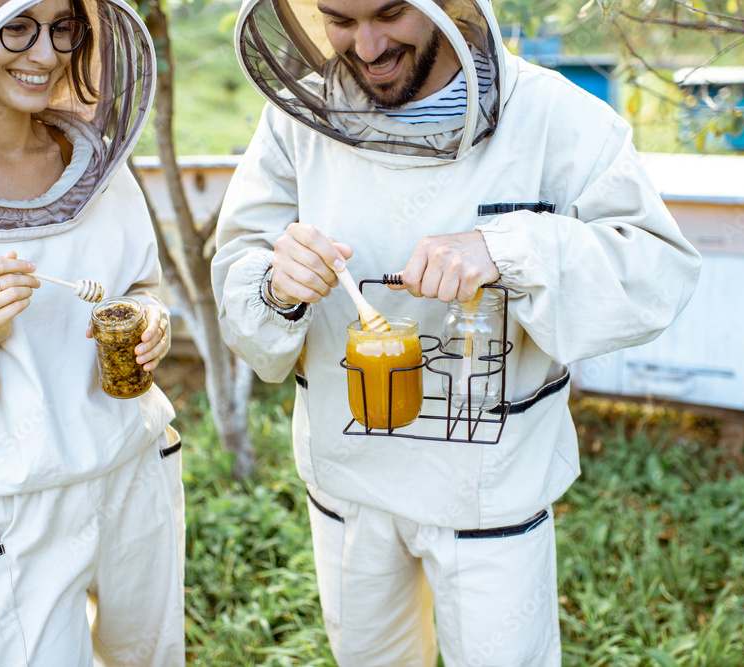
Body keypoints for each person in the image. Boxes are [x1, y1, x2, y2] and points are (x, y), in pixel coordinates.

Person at [214, 0, 701, 664]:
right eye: (340, 20)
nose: (366, 46)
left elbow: (655, 269)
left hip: (490, 493)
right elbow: (239, 270)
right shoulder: (297, 119)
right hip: (347, 483)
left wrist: (511, 249)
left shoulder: (554, 116)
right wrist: (275, 281)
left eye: (388, 14)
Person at [0, 0, 184, 664]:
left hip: (136, 466)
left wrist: (151, 320)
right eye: (16, 27)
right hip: (13, 501)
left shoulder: (101, 165)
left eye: (61, 27)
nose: (46, 53)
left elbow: (141, 285)